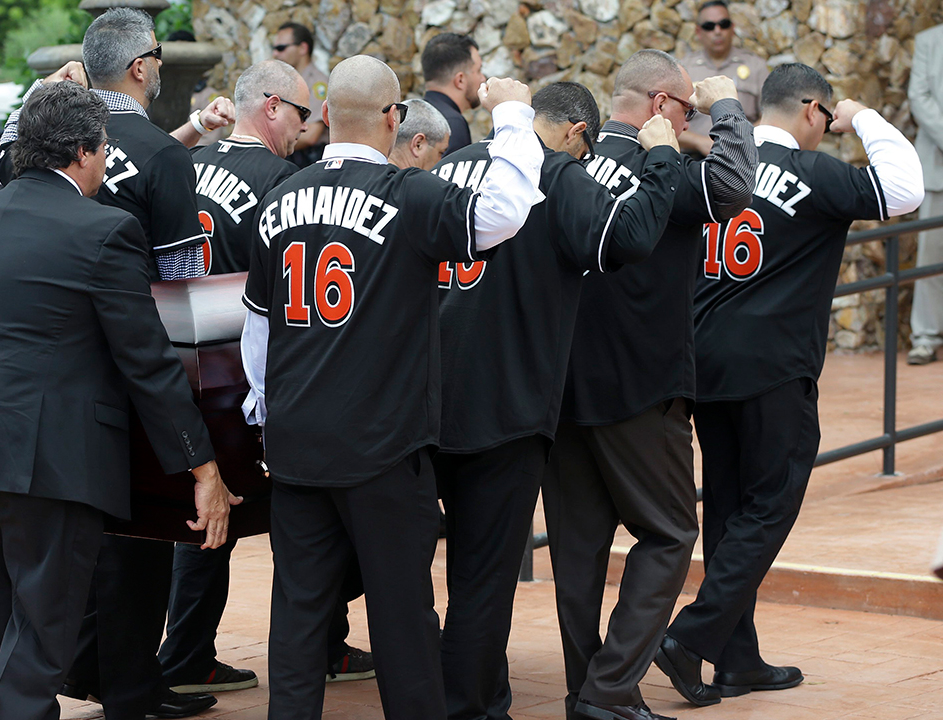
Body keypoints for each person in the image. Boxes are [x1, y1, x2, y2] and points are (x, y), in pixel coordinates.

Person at [0, 81, 238, 720]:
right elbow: (147, 361)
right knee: (39, 637)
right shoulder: (106, 230)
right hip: (45, 459)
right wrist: (203, 467)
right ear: (86, 153)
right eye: (105, 150)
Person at [241, 55, 546, 719]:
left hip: (296, 448)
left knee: (296, 623)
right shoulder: (407, 194)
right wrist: (514, 115)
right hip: (384, 448)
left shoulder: (277, 200)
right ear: (391, 118)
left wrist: (269, 421)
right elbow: (507, 212)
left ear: (324, 116)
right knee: (404, 622)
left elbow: (257, 333)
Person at [0, 10, 235, 718]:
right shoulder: (162, 154)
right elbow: (183, 287)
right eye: (155, 57)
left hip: (46, 365)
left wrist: (36, 94)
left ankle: (88, 668)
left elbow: (4, 165)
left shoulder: (40, 140)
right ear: (138, 67)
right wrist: (201, 411)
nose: (159, 66)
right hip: (132, 370)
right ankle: (133, 686)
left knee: (77, 534)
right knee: (143, 536)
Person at [663, 62, 923, 705]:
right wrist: (863, 116)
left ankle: (736, 658)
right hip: (773, 366)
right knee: (772, 503)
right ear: (813, 109)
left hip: (706, 360)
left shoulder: (722, 166)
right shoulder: (817, 174)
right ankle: (691, 637)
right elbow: (906, 189)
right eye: (827, 117)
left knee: (728, 508)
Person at [432, 81, 683, 720]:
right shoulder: (558, 172)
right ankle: (480, 706)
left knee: (456, 566)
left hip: (430, 397)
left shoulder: (456, 163)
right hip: (507, 403)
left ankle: (480, 694)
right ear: (574, 132)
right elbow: (627, 237)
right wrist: (661, 157)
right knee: (485, 578)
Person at [544, 49, 757, 720]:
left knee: (577, 554)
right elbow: (735, 184)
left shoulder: (564, 166)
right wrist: (725, 108)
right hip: (641, 388)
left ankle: (593, 689)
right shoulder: (659, 167)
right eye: (685, 106)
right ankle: (607, 694)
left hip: (561, 388)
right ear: (663, 106)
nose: (691, 116)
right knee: (667, 535)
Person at [162, 58, 375, 692]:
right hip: (250, 369)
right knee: (310, 513)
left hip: (179, 362)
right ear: (273, 107)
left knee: (206, 515)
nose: (307, 129)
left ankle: (188, 656)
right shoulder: (285, 181)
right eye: (303, 114)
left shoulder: (187, 166)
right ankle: (323, 646)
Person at [678, 0, 768, 157]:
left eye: (723, 24)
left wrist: (741, 140)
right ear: (698, 32)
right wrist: (699, 142)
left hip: (742, 157)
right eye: (709, 26)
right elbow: (667, 123)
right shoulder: (683, 69)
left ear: (732, 28)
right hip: (692, 158)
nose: (717, 31)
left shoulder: (755, 66)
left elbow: (770, 117)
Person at [908, 23, 943, 365]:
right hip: (938, 168)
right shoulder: (927, 40)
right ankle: (926, 336)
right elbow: (919, 97)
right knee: (930, 259)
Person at [273, 22, 329, 166]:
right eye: (274, 48)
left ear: (303, 48)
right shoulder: (283, 81)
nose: (275, 54)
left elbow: (311, 136)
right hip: (289, 156)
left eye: (281, 48)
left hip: (309, 160)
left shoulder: (318, 84)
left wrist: (270, 146)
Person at [422, 33, 485, 157]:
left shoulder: (412, 117)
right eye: (478, 71)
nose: (483, 78)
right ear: (460, 80)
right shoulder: (452, 124)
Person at [389, 98, 451, 170]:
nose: (440, 162)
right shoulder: (411, 180)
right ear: (418, 144)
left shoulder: (375, 172)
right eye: (441, 153)